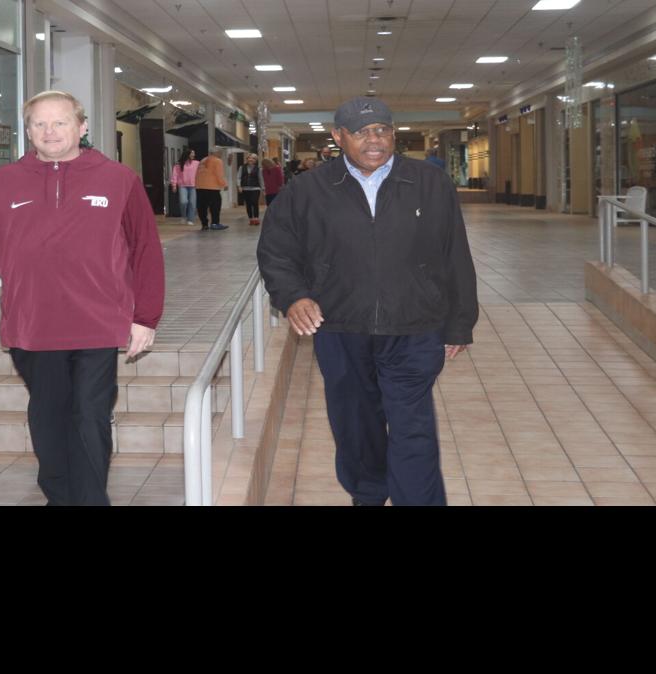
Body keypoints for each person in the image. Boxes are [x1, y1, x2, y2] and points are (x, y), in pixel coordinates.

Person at [257, 97, 478, 507]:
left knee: (414, 428)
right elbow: (276, 250)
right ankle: (369, 494)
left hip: (415, 326)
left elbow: (455, 255)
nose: (375, 140)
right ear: (338, 137)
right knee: (356, 426)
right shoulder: (308, 189)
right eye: (362, 132)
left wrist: (459, 322)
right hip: (341, 327)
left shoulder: (429, 184)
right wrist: (294, 296)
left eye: (383, 130)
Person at [0, 90, 164, 506]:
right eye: (40, 124)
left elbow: (145, 250)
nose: (50, 132)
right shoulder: (1, 183)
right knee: (48, 419)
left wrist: (146, 317)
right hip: (32, 326)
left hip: (98, 324)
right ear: (28, 131)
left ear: (82, 127)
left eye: (60, 122)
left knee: (89, 416)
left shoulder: (118, 179)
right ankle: (61, 497)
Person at [196, 148, 228, 230]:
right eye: (220, 153)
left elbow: (198, 173)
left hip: (200, 187)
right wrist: (224, 184)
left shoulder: (203, 160)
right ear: (216, 153)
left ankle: (204, 224)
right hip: (212, 187)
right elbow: (219, 174)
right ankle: (215, 223)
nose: (221, 155)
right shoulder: (217, 161)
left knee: (202, 207)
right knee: (215, 206)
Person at [171, 150, 198, 225]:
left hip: (193, 186)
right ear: (187, 154)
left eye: (194, 153)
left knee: (192, 203)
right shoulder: (178, 165)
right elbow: (175, 175)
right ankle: (183, 216)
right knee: (183, 202)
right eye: (192, 153)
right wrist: (174, 185)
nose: (194, 155)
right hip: (182, 186)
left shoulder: (196, 163)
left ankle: (190, 219)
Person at [238, 154, 263, 226]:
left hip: (255, 188)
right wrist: (239, 186)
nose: (251, 160)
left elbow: (261, 179)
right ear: (247, 159)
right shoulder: (242, 167)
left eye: (253, 159)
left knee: (254, 202)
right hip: (245, 188)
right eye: (249, 158)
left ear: (255, 161)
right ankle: (251, 219)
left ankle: (256, 218)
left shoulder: (258, 169)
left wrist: (263, 188)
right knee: (248, 204)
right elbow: (238, 177)